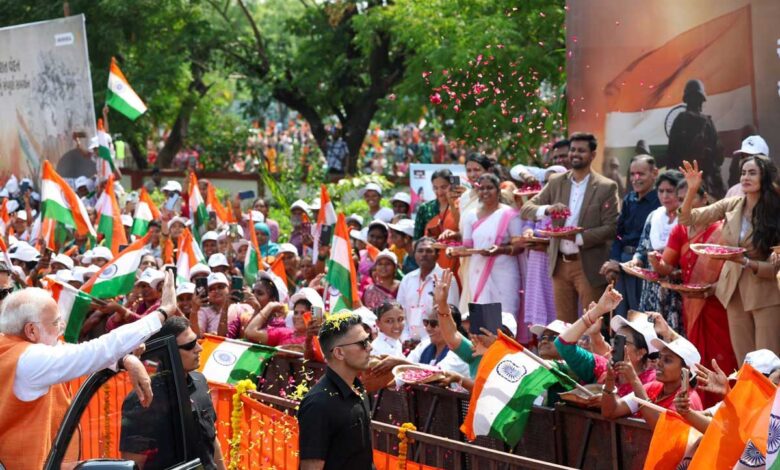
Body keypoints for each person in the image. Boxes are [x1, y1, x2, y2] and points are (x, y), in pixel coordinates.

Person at [0, 272, 176, 469]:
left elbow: (74, 351)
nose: (62, 327)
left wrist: (125, 359)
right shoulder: (30, 360)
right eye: (56, 322)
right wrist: (162, 313)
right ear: (31, 330)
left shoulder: (9, 346)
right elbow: (94, 351)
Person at [678, 158, 780, 362]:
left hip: (766, 293)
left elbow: (775, 267)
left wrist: (745, 262)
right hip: (733, 292)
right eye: (743, 173)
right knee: (745, 362)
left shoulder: (775, 210)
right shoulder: (733, 204)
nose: (745, 177)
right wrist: (692, 189)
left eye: (752, 173)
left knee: (769, 362)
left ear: (765, 176)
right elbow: (687, 219)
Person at [521, 132, 620, 323]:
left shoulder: (606, 186)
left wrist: (578, 238)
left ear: (592, 155)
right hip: (559, 264)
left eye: (581, 150)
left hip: (588, 265)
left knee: (593, 324)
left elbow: (611, 227)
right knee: (564, 326)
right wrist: (548, 209)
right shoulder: (557, 182)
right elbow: (527, 209)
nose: (575, 154)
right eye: (573, 150)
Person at [649, 179, 738, 381]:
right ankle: (700, 397)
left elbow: (733, 270)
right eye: (681, 200)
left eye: (690, 198)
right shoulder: (680, 230)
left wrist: (715, 287)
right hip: (692, 303)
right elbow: (666, 267)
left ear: (705, 199)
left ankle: (724, 396)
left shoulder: (723, 231)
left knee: (722, 355)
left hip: (718, 302)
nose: (685, 205)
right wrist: (654, 262)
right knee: (696, 355)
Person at [120, 317, 226, 469]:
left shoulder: (200, 382)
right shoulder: (142, 399)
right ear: (170, 352)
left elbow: (212, 440)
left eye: (197, 341)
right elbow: (135, 463)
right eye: (190, 345)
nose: (199, 348)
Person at [298, 313, 373, 469]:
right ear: (339, 353)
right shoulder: (318, 404)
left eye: (369, 339)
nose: (370, 347)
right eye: (363, 343)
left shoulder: (358, 389)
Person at [555, 287, 659, 397]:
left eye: (622, 341)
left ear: (640, 353)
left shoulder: (653, 382)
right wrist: (598, 310)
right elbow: (562, 345)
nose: (613, 348)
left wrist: (633, 379)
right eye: (615, 341)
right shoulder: (603, 367)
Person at [453, 173, 523, 325]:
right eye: (481, 188)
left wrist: (500, 250)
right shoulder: (471, 215)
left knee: (505, 317)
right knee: (481, 317)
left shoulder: (509, 214)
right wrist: (453, 251)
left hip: (504, 272)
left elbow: (519, 246)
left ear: (498, 190)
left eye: (489, 188)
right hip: (477, 271)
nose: (485, 192)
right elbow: (468, 247)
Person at [600, 155, 660, 317]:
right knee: (621, 314)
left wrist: (627, 263)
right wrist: (614, 261)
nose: (636, 178)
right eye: (632, 174)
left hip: (645, 264)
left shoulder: (659, 203)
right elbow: (619, 235)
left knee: (641, 316)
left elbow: (651, 241)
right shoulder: (629, 199)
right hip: (623, 262)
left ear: (654, 173)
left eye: (641, 174)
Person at [601, 336, 703, 427]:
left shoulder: (687, 400)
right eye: (660, 357)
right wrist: (610, 378)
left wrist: (634, 379)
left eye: (667, 360)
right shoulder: (653, 387)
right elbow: (610, 411)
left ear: (686, 370)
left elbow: (661, 428)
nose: (659, 363)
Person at [628, 170, 684, 329]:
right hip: (652, 287)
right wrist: (635, 260)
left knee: (673, 332)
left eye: (670, 191)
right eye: (661, 191)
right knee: (650, 332)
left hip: (676, 286)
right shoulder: (654, 216)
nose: (665, 196)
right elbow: (642, 247)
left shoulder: (687, 218)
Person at [664, 79, 724, 198]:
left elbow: (671, 156)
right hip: (704, 185)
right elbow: (718, 158)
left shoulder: (679, 121)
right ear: (701, 100)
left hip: (683, 185)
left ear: (686, 99)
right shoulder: (708, 123)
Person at [397, 238, 459, 341]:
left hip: (436, 342)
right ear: (414, 254)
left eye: (429, 251)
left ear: (437, 255)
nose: (424, 254)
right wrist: (405, 339)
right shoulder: (407, 279)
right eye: (420, 251)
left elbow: (452, 315)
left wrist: (425, 344)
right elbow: (400, 313)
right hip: (408, 342)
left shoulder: (446, 278)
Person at [414, 170, 459, 271]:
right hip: (431, 262)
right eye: (435, 188)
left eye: (444, 187)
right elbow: (416, 240)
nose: (439, 192)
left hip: (456, 259)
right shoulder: (426, 208)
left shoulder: (460, 206)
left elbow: (466, 235)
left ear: (452, 185)